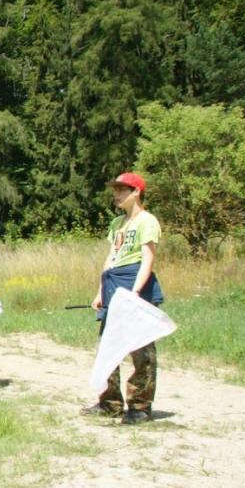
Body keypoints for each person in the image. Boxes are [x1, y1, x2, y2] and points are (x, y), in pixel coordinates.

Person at [81, 172, 165, 424]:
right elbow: (111, 259)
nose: (116, 194)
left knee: (141, 350)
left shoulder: (147, 221)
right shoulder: (117, 224)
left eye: (122, 189)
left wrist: (135, 292)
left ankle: (140, 406)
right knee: (109, 346)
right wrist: (100, 292)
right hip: (114, 285)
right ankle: (110, 403)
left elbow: (147, 259)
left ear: (136, 192)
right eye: (115, 190)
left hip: (133, 286)